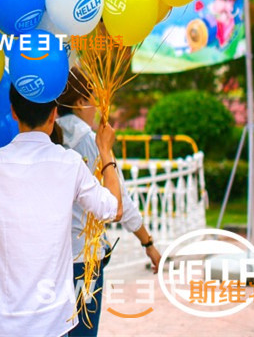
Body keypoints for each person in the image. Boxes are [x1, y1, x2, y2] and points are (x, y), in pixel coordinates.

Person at [0, 86, 123, 337]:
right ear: (53, 114)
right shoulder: (69, 164)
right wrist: (105, 151)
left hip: (0, 324)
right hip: (53, 323)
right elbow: (114, 209)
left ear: (13, 113)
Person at [55, 69, 162, 336]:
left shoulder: (49, 139)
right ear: (80, 102)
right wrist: (147, 242)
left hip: (50, 259)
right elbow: (120, 202)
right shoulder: (93, 143)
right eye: (93, 96)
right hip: (84, 259)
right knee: (83, 331)